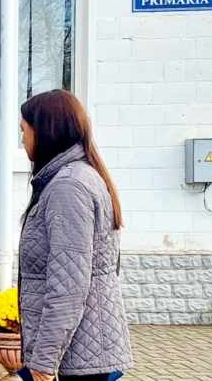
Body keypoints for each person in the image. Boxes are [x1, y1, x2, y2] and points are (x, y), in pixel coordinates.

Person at [17, 90, 133, 381]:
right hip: (85, 346)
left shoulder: (67, 186)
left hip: (76, 353)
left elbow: (68, 284)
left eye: (23, 130)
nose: (22, 140)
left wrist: (44, 360)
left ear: (45, 131)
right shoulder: (81, 175)